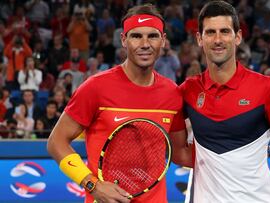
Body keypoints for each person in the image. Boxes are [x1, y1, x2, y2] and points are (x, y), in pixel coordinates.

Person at [47, 4, 189, 203]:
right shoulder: (95, 87)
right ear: (124, 40)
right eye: (136, 36)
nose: (145, 43)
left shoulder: (172, 93)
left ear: (163, 40)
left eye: (153, 36)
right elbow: (56, 142)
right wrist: (92, 185)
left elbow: (180, 153)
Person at [179, 1, 270, 203]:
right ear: (199, 38)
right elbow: (175, 149)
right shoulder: (188, 90)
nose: (217, 39)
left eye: (224, 31)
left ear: (238, 36)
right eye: (210, 32)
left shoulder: (266, 88)